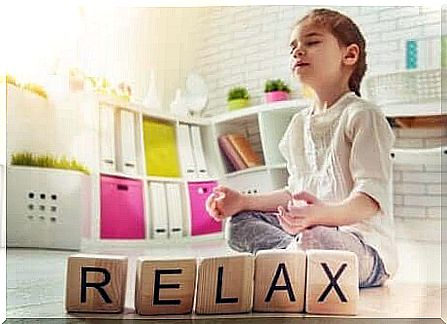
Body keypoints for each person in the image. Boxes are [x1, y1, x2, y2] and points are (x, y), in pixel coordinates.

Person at [205, 8, 397, 288]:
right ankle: (297, 259)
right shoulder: (297, 125)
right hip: (309, 234)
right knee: (237, 224)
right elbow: (292, 193)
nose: (298, 51)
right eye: (294, 47)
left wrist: (319, 216)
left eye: (312, 42)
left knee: (314, 237)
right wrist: (243, 202)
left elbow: (369, 200)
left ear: (349, 55)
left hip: (363, 248)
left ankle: (293, 261)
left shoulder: (362, 115)